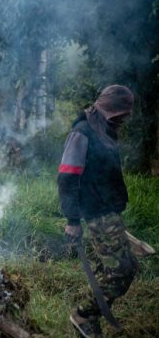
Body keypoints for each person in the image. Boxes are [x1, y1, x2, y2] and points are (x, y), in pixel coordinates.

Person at [58, 85, 138, 338]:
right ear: (110, 108)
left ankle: (89, 316)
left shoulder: (104, 129)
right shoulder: (82, 132)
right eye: (121, 113)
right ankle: (84, 315)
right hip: (95, 212)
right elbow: (67, 178)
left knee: (120, 268)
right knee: (120, 271)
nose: (124, 119)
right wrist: (72, 220)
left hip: (107, 210)